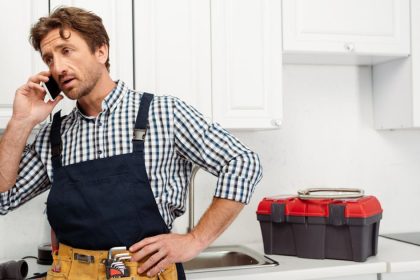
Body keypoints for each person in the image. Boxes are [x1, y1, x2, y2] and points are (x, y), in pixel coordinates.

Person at [0, 6, 262, 280]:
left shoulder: (163, 113)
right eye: (49, 59)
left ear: (101, 51)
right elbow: (3, 198)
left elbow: (243, 162)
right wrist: (21, 121)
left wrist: (195, 240)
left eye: (66, 51)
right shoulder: (55, 135)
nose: (58, 68)